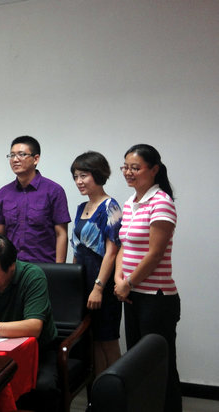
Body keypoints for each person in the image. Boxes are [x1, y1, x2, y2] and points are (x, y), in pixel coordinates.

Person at [114, 144, 181, 412]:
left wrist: (128, 283)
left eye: (135, 168)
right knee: (138, 364)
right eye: (126, 167)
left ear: (154, 170)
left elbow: (155, 254)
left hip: (156, 298)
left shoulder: (161, 202)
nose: (128, 172)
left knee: (160, 366)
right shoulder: (130, 202)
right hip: (132, 295)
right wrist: (119, 281)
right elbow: (124, 246)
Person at [70, 151, 122, 376]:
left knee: (107, 339)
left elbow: (112, 252)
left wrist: (98, 288)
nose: (79, 181)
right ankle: (99, 391)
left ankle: (118, 389)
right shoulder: (81, 207)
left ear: (98, 174)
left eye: (84, 175)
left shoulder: (111, 206)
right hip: (82, 281)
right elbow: (77, 249)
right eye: (75, 176)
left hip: (102, 283)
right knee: (92, 341)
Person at [0, 135, 71, 263]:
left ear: (36, 159)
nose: (15, 159)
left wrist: (59, 269)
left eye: (21, 154)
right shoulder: (4, 193)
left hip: (43, 266)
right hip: (12, 266)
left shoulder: (54, 191)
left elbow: (61, 234)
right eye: (12, 155)